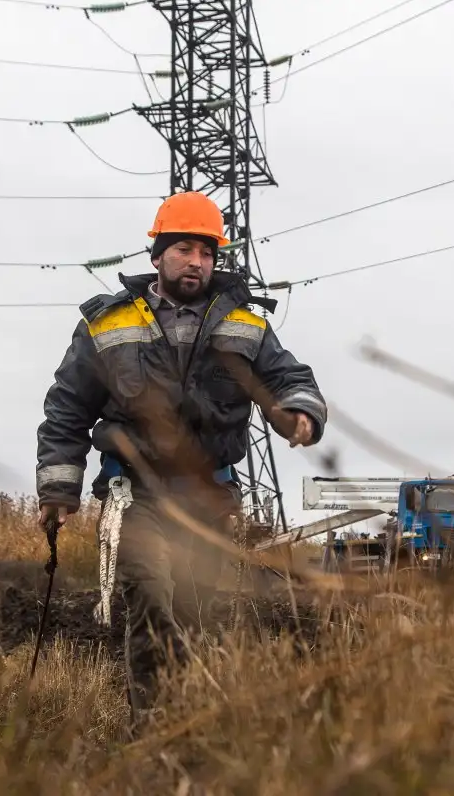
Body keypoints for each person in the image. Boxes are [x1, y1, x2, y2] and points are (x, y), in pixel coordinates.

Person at [34, 190, 327, 726]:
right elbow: (68, 407)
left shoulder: (246, 323)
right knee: (151, 601)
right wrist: (59, 489)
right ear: (157, 255)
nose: (197, 262)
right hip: (136, 496)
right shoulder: (106, 324)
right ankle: (153, 730)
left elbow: (290, 378)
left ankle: (197, 729)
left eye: (207, 253)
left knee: (204, 616)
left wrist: (301, 413)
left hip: (210, 496)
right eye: (185, 250)